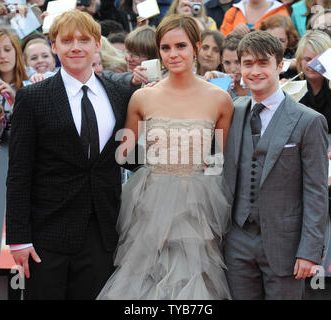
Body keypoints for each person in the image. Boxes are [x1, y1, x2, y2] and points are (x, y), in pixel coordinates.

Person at [97, 14, 234, 299]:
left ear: (196, 47)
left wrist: (204, 169)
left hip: (197, 204)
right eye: (166, 48)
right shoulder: (142, 98)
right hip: (150, 202)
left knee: (195, 281)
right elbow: (125, 156)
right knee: (144, 281)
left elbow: (222, 159)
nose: (173, 54)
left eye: (181, 46)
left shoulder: (220, 99)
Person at [5, 9, 137, 300]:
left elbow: (132, 158)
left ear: (96, 44)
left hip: (102, 234)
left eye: (83, 39)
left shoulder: (120, 96)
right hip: (45, 236)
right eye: (66, 40)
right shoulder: (32, 98)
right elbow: (18, 173)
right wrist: (18, 239)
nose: (75, 46)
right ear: (54, 46)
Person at [223, 30, 328, 299]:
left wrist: (310, 251)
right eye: (248, 64)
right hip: (237, 243)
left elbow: (317, 191)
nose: (255, 71)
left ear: (279, 66)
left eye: (263, 63)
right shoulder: (232, 111)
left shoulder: (309, 121)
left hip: (287, 245)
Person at [295, 30, 331, 167]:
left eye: (318, 59)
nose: (312, 65)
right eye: (307, 59)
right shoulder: (293, 86)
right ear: (299, 60)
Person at [220, 0, 289, 36]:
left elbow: (286, 41)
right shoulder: (233, 12)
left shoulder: (280, 12)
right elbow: (223, 43)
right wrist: (233, 34)